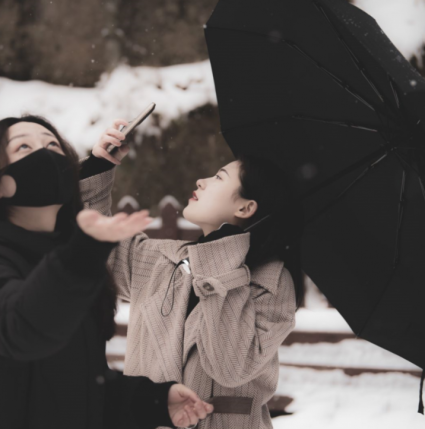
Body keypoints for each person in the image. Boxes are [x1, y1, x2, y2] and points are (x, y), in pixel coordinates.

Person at [0, 115, 213, 429]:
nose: (46, 154)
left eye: (53, 145)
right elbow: (19, 327)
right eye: (24, 146)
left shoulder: (63, 260)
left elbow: (82, 388)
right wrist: (81, 253)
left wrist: (154, 401)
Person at [81, 123, 305, 429]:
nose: (201, 181)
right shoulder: (161, 259)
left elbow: (231, 366)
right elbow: (93, 242)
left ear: (246, 207)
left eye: (218, 177)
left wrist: (220, 261)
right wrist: (98, 167)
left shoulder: (272, 281)